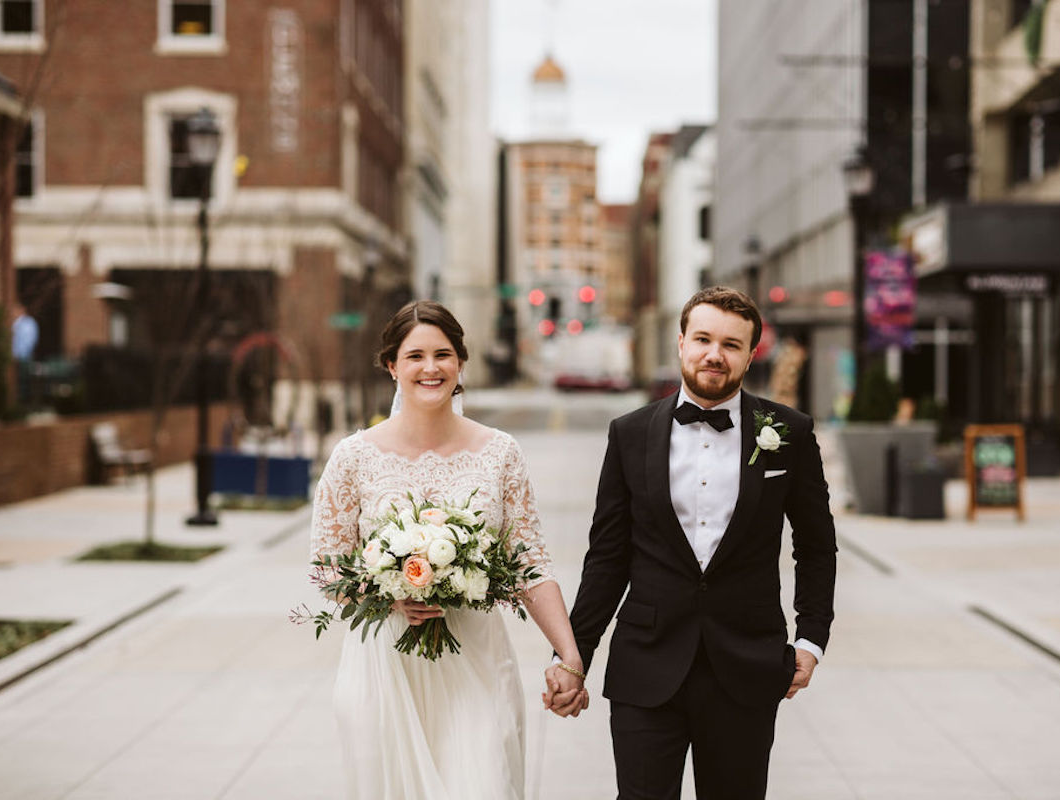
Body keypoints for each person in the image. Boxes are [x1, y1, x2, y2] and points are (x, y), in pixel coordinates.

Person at [555, 286, 837, 799]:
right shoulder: (629, 433)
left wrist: (812, 638)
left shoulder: (788, 432)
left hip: (746, 665)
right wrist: (573, 656)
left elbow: (816, 546)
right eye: (703, 339)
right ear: (680, 343)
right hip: (646, 664)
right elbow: (608, 557)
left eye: (731, 344)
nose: (714, 354)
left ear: (752, 355)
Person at [310, 300, 586, 800]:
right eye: (415, 356)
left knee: (485, 784)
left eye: (443, 354)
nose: (431, 367)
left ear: (460, 362)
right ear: (392, 365)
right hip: (385, 668)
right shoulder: (353, 459)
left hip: (477, 663)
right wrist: (389, 594)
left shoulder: (500, 453)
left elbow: (531, 564)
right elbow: (327, 570)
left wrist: (569, 657)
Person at [10, 302, 38, 406]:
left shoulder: (28, 324)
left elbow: (29, 341)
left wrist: (21, 354)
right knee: (17, 382)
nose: (13, 313)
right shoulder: (15, 324)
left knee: (24, 381)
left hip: (23, 357)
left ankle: (24, 404)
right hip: (15, 358)